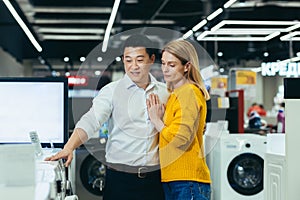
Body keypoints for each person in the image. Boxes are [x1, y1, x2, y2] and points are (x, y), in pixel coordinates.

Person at [46, 34, 169, 200]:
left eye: (139, 60)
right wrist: (69, 147)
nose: (133, 66)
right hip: (120, 180)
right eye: (128, 60)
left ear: (151, 59)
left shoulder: (165, 93)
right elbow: (91, 120)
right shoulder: (111, 91)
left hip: (156, 180)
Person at [146, 39, 211, 200]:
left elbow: (181, 138)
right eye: (163, 63)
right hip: (176, 179)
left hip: (187, 181)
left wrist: (156, 121)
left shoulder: (188, 92)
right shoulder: (176, 94)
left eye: (172, 65)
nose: (165, 70)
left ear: (187, 66)